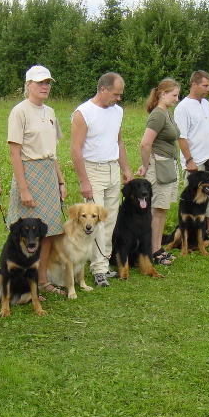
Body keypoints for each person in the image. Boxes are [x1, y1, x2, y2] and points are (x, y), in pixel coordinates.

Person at [7, 65, 66, 297]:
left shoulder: (50, 112)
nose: (45, 86)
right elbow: (15, 153)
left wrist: (61, 180)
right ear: (28, 85)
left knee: (49, 231)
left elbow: (53, 152)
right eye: (40, 82)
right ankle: (19, 282)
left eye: (48, 82)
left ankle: (42, 281)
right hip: (29, 172)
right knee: (24, 233)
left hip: (49, 173)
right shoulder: (19, 111)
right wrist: (23, 188)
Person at [70, 72, 133, 287]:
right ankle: (97, 269)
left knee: (109, 220)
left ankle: (103, 263)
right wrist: (84, 181)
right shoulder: (83, 113)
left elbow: (119, 142)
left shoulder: (118, 112)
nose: (118, 98)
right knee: (93, 222)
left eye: (120, 95)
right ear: (103, 89)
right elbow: (75, 148)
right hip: (92, 169)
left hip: (112, 168)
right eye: (116, 94)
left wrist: (126, 168)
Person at [174, 70, 209, 239]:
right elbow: (181, 137)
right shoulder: (183, 108)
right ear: (194, 84)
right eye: (205, 85)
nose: (208, 88)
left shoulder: (207, 104)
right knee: (193, 198)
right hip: (195, 161)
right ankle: (189, 231)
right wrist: (189, 160)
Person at [136, 78, 181, 265]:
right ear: (162, 94)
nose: (177, 99)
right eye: (174, 95)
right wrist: (145, 166)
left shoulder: (167, 113)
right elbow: (146, 143)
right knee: (156, 210)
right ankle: (151, 250)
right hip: (159, 165)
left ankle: (157, 247)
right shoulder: (158, 115)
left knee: (162, 209)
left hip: (168, 164)